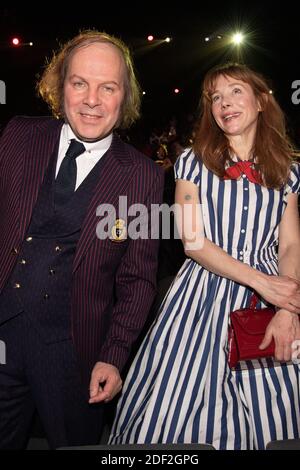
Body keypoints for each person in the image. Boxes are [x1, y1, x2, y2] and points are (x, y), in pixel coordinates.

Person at [109, 63, 300, 450]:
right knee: (183, 402)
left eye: (235, 92)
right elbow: (192, 241)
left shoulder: (288, 169)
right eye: (216, 97)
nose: (225, 103)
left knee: (277, 409)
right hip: (203, 293)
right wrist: (265, 284)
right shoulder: (193, 163)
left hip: (272, 299)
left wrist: (288, 308)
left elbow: (291, 245)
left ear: (262, 101)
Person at [0, 30, 164, 449]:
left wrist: (114, 352)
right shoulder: (18, 136)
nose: (92, 100)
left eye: (107, 87)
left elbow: (138, 279)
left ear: (123, 97)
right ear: (61, 86)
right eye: (80, 83)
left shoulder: (144, 176)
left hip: (74, 356)